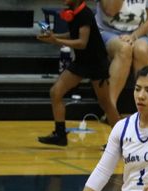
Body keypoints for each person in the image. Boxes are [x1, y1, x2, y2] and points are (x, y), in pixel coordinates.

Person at [37, 0, 120, 146]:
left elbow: (82, 42)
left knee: (106, 103)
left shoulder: (85, 14)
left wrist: (56, 40)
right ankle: (60, 134)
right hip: (82, 62)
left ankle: (121, 140)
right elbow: (73, 34)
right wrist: (53, 37)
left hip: (96, 63)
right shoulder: (72, 12)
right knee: (55, 92)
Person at [95, 0, 148, 109]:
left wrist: (134, 36)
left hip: (139, 32)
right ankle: (110, 109)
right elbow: (110, 11)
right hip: (107, 31)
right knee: (124, 49)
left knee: (141, 50)